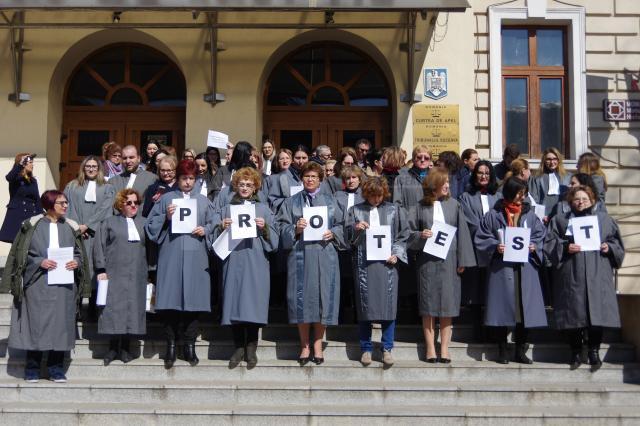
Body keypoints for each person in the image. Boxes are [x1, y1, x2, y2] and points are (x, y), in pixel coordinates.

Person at [2, 190, 88, 383]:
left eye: (66, 202)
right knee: (36, 326)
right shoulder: (32, 225)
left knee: (60, 326)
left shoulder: (70, 227)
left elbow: (79, 253)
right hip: (38, 284)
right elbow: (22, 255)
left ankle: (56, 369)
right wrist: (39, 262)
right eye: (61, 203)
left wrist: (76, 261)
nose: (65, 206)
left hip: (63, 286)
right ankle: (32, 368)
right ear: (49, 205)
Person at [145, 160, 215, 369]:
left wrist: (206, 230)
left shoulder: (203, 201)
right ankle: (171, 345)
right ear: (178, 178)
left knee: (194, 302)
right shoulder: (166, 199)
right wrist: (166, 217)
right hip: (171, 254)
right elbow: (150, 226)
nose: (187, 182)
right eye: (184, 178)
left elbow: (215, 224)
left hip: (196, 255)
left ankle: (189, 345)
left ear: (196, 179)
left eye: (191, 178)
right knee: (170, 301)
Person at [544, 185, 624, 370]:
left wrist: (609, 247)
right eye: (577, 199)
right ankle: (575, 351)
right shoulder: (560, 220)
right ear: (570, 201)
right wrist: (564, 247)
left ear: (593, 200)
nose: (580, 202)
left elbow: (616, 243)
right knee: (574, 315)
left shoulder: (604, 220)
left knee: (596, 315)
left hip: (598, 272)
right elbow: (549, 242)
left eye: (584, 199)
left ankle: (594, 352)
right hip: (572, 274)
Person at [474, 177, 547, 364]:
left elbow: (541, 236)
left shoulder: (530, 215)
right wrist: (494, 246)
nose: (521, 197)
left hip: (525, 269)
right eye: (518, 193)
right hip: (502, 268)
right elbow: (482, 237)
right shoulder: (493, 214)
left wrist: (534, 247)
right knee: (501, 309)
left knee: (524, 311)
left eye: (523, 194)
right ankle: (502, 349)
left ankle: (520, 349)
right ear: (509, 192)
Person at [276, 161, 342, 365]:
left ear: (320, 179)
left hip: (325, 254)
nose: (310, 180)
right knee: (302, 299)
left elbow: (342, 225)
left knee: (323, 298)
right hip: (300, 255)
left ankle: (318, 344)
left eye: (314, 176)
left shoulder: (331, 201)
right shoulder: (291, 202)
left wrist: (334, 233)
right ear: (301, 178)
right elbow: (281, 227)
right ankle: (304, 344)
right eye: (307, 176)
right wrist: (295, 229)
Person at [212, 168, 278, 369]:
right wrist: (221, 226)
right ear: (235, 185)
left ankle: (251, 347)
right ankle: (238, 346)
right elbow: (211, 237)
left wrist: (264, 228)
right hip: (233, 260)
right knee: (235, 302)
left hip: (256, 260)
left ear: (256, 186)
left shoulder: (264, 209)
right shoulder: (225, 209)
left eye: (249, 185)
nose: (245, 188)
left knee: (253, 304)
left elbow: (275, 243)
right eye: (241, 184)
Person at [407, 169, 476, 363]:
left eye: (448, 183)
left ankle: (444, 348)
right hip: (427, 262)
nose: (447, 186)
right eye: (443, 182)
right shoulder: (420, 207)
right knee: (428, 306)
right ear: (433, 184)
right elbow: (407, 233)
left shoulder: (455, 205)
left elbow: (463, 233)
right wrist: (420, 235)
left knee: (448, 305)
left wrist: (463, 260)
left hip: (449, 261)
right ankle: (430, 348)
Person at [345, 177, 408, 367]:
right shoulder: (355, 210)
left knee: (388, 306)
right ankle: (366, 348)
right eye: (372, 196)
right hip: (364, 265)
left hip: (387, 265)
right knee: (365, 307)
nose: (376, 200)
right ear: (366, 194)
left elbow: (403, 234)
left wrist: (396, 253)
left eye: (380, 196)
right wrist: (355, 228)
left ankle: (387, 348)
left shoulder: (394, 210)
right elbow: (346, 237)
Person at [93, 189, 148, 365]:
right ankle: (112, 348)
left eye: (136, 202)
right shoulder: (109, 222)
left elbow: (151, 248)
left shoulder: (144, 223)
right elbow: (99, 246)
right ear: (120, 204)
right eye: (129, 202)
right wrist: (101, 269)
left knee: (131, 309)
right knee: (114, 309)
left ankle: (125, 347)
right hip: (114, 272)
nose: (133, 205)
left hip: (137, 273)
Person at [63, 156, 115, 317]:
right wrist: (77, 226)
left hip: (97, 235)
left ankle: (93, 308)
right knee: (76, 268)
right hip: (76, 235)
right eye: (88, 166)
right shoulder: (72, 186)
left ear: (99, 169)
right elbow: (66, 207)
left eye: (94, 166)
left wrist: (88, 225)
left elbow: (107, 209)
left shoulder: (107, 188)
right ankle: (76, 308)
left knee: (95, 269)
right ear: (83, 168)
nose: (91, 169)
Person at [459, 160, 501, 342]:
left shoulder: (498, 197)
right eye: (480, 172)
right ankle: (477, 329)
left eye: (487, 173)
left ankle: (493, 329)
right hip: (475, 247)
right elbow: (468, 220)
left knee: (492, 289)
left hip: (495, 248)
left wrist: (492, 236)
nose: (483, 176)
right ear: (474, 175)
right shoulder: (466, 197)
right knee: (475, 290)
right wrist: (484, 231)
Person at [334, 165, 365, 323]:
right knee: (342, 282)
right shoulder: (337, 196)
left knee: (359, 283)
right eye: (348, 178)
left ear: (359, 179)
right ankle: (339, 318)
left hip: (360, 244)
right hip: (341, 245)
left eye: (354, 177)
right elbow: (336, 218)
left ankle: (358, 318)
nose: (351, 181)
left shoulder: (365, 196)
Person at [0, 153, 42, 243]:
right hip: (18, 216)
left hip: (31, 216)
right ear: (22, 163)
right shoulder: (15, 178)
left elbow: (37, 200)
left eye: (32, 162)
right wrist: (19, 165)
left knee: (31, 246)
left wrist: (42, 216)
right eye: (30, 162)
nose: (32, 164)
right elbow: (9, 177)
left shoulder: (33, 180)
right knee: (18, 249)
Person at [529, 147, 571, 222]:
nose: (552, 162)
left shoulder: (568, 177)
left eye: (555, 159)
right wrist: (539, 215)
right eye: (549, 159)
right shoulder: (536, 177)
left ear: (559, 160)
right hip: (543, 216)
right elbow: (533, 199)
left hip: (562, 216)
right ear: (544, 161)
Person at [269, 145, 309, 213]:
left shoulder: (314, 176)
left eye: (304, 158)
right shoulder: (280, 177)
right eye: (298, 158)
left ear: (309, 158)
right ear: (292, 159)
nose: (301, 161)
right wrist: (289, 201)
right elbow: (273, 202)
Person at [393, 145, 432, 209]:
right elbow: (397, 204)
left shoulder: (436, 178)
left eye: (426, 158)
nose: (422, 160)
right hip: (408, 218)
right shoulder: (401, 178)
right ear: (413, 159)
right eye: (419, 157)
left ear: (430, 161)